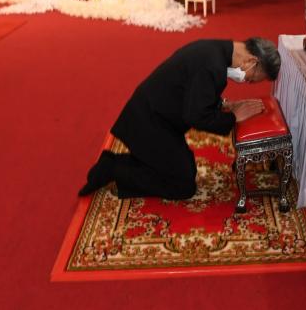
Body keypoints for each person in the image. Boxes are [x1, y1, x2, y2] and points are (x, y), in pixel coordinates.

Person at [78, 37, 281, 199]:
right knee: (182, 186)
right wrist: (234, 117)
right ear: (252, 61)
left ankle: (130, 162)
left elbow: (195, 90)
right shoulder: (213, 65)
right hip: (148, 123)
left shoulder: (217, 50)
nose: (247, 82)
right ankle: (113, 168)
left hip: (158, 117)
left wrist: (224, 105)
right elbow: (196, 116)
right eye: (252, 79)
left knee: (185, 169)